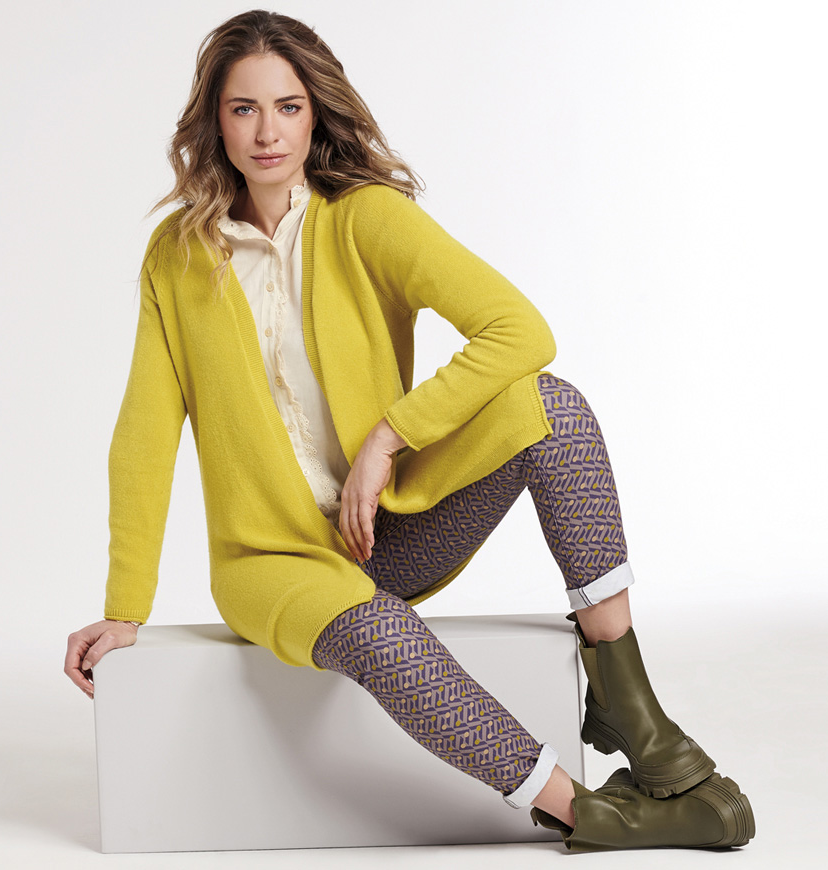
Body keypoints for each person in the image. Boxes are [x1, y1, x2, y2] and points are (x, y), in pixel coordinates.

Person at [64, 9, 755, 852]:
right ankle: (590, 814)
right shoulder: (177, 257)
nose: (267, 132)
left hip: (390, 527)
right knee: (381, 633)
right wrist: (123, 610)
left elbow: (519, 330)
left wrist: (390, 437)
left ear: (315, 112)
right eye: (244, 108)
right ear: (215, 119)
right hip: (273, 565)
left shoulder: (366, 219)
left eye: (287, 106)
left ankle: (632, 711)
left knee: (553, 409)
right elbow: (143, 434)